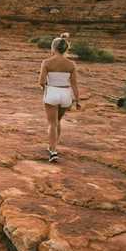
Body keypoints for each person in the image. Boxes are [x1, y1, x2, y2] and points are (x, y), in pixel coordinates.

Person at [39, 33, 80, 162]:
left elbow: (41, 81)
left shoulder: (46, 62)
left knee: (52, 123)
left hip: (52, 92)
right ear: (65, 48)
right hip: (66, 94)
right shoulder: (71, 64)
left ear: (53, 48)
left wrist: (46, 89)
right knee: (57, 121)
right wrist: (77, 100)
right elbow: (74, 84)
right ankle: (53, 146)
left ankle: (53, 151)